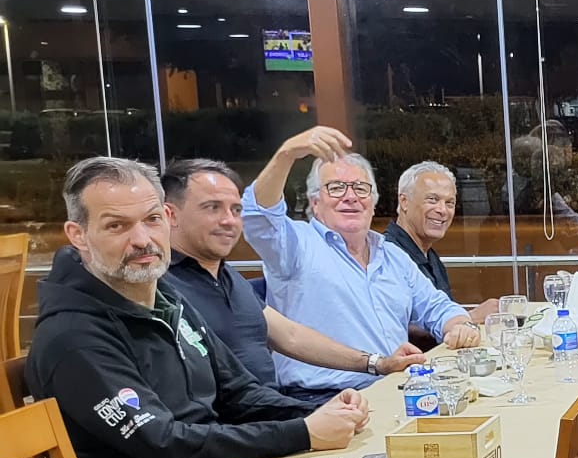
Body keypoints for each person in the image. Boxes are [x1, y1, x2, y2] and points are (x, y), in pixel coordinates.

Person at [30, 157, 369, 458]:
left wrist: (320, 412)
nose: (142, 240)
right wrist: (302, 433)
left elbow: (238, 392)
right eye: (116, 226)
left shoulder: (166, 298)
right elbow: (164, 444)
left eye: (151, 219)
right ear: (78, 235)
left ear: (167, 218)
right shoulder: (72, 337)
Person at [242, 128, 483, 403]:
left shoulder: (392, 255)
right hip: (324, 400)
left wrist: (460, 326)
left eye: (360, 188)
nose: (350, 196)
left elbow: (437, 307)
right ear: (315, 203)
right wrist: (286, 154)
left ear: (373, 203)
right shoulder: (293, 246)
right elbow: (258, 216)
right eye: (336, 187)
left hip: (395, 389)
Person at [161, 158, 427, 395]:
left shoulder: (229, 279)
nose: (229, 220)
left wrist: (378, 364)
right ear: (169, 216)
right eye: (212, 208)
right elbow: (262, 216)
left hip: (281, 409)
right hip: (298, 403)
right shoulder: (160, 290)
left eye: (236, 210)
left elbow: (291, 336)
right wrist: (289, 153)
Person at [381, 160, 498, 323]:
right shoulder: (386, 256)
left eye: (449, 203)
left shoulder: (429, 256)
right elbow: (394, 326)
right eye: (432, 199)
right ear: (404, 202)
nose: (442, 210)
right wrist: (469, 318)